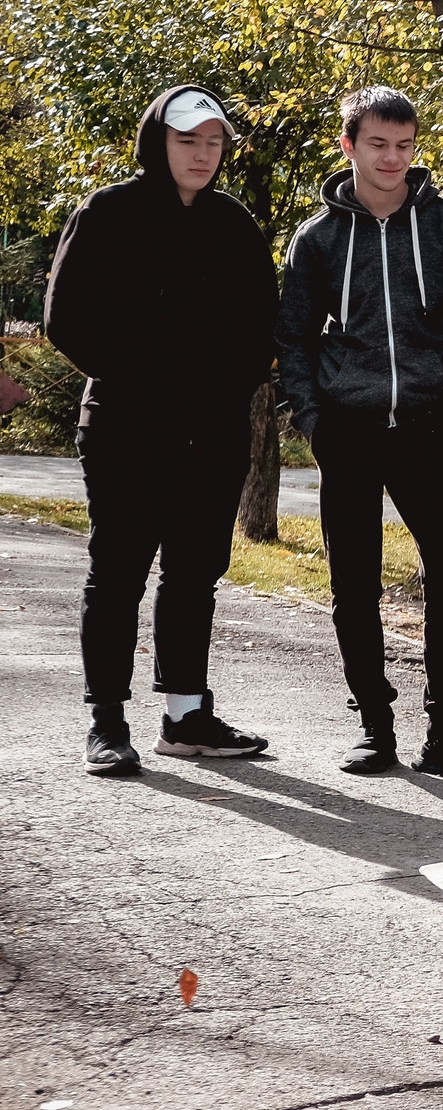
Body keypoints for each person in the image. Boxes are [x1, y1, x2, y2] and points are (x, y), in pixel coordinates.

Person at [275, 86, 443, 781]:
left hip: (430, 429)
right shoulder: (317, 238)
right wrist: (312, 420)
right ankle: (375, 725)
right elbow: (292, 337)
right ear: (349, 146)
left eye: (404, 145)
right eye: (378, 144)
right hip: (347, 428)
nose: (393, 158)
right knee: (355, 583)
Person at [46, 85, 279, 774]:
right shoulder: (108, 212)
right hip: (125, 425)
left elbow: (261, 324)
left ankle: (186, 715)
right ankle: (106, 723)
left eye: (214, 143)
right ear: (159, 141)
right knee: (118, 571)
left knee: (194, 573)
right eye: (189, 141)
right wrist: (144, 377)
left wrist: (223, 387)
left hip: (210, 431)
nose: (203, 154)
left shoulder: (233, 223)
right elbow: (66, 317)